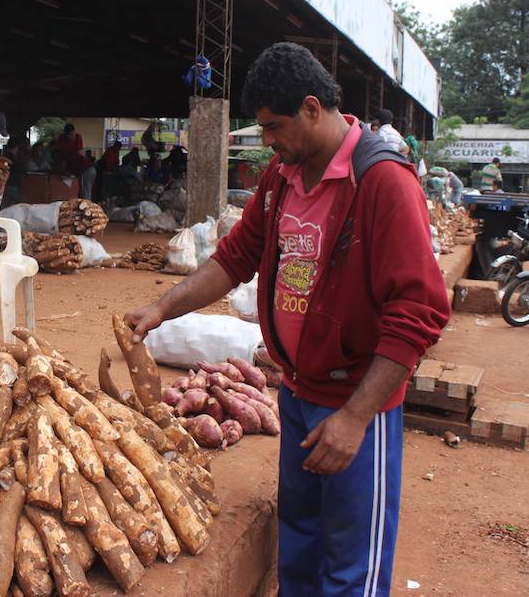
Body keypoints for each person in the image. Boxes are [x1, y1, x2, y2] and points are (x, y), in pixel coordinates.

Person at [125, 42, 449, 597]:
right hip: (297, 396)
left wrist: (354, 418)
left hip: (355, 406)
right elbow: (234, 258)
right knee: (298, 546)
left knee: (351, 566)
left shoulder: (383, 182)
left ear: (311, 108)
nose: (268, 142)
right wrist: (162, 308)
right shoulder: (281, 178)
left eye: (274, 127)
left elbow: (419, 310)